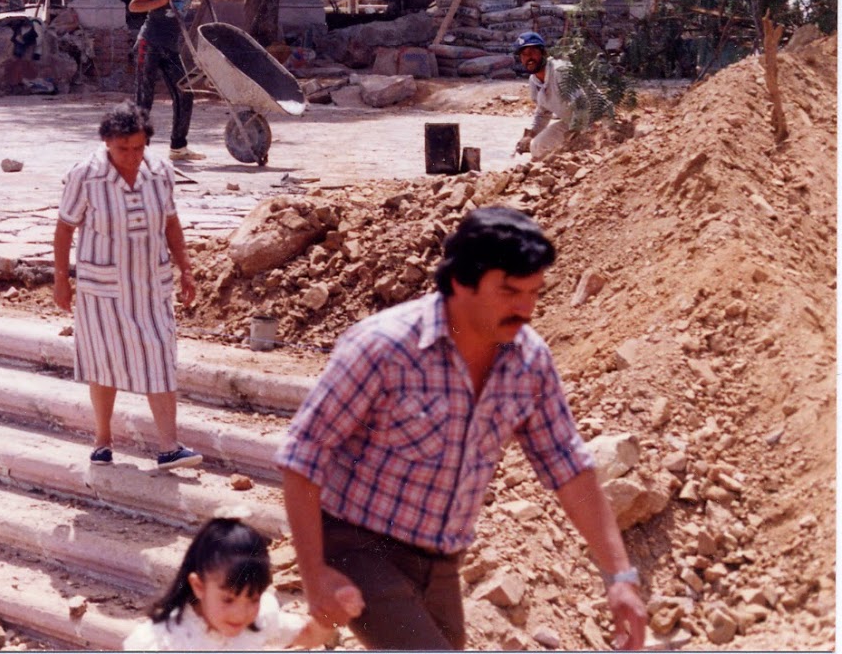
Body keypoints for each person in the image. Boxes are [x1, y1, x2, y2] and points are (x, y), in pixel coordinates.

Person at [276, 207, 648, 651]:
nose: (525, 309)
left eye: (534, 293)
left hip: (442, 561)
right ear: (459, 282)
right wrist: (314, 572)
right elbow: (303, 452)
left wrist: (619, 576)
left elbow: (569, 467)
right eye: (509, 292)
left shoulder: (528, 362)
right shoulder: (384, 347)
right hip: (359, 545)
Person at [53, 102, 202, 472]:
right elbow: (64, 229)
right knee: (103, 360)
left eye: (139, 148)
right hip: (102, 285)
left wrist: (186, 268)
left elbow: (170, 222)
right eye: (124, 149)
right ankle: (102, 440)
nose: (133, 157)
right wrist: (60, 279)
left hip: (152, 284)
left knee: (160, 354)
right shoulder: (86, 175)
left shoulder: (160, 171)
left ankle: (169, 446)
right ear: (107, 143)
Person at [125, 514, 338, 650]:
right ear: (199, 586)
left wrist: (331, 614)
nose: (241, 613)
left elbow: (309, 635)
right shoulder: (161, 643)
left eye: (253, 599)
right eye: (228, 600)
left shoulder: (260, 619)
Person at [127, 0, 207, 162]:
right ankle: (136, 148)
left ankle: (178, 147)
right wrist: (160, 1)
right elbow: (134, 6)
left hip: (171, 48)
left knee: (185, 92)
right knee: (144, 97)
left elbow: (183, 1)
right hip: (150, 43)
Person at [513, 31, 575, 160]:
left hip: (590, 120)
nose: (528, 58)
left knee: (541, 145)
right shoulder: (534, 80)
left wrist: (574, 139)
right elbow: (543, 113)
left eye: (532, 52)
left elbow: (583, 104)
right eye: (524, 54)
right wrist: (531, 135)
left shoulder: (561, 72)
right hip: (571, 122)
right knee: (536, 145)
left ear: (543, 53)